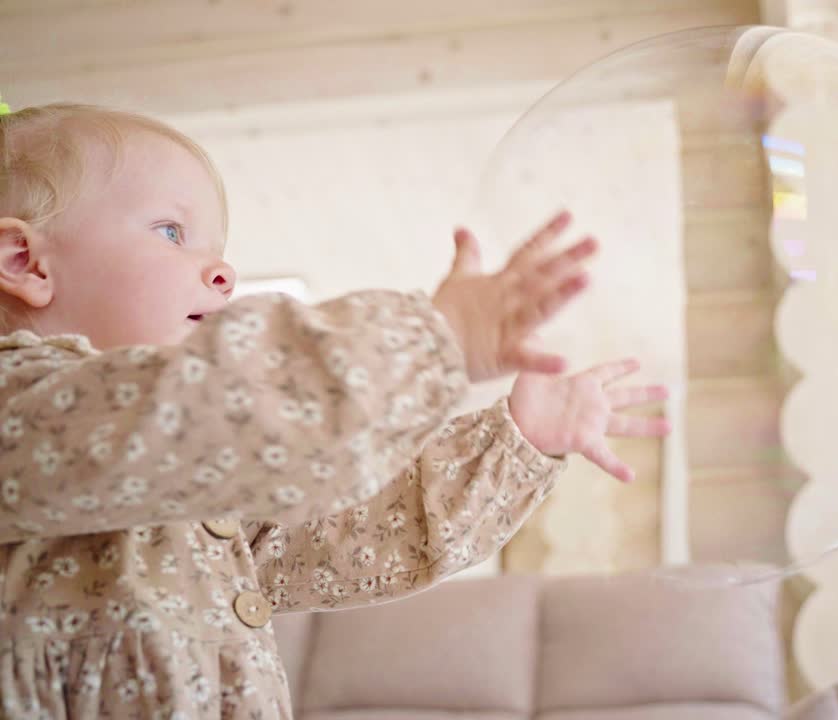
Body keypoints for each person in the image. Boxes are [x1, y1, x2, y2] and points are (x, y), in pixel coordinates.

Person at [0, 101, 669, 718]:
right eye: (172, 231)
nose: (221, 271)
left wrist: (517, 441)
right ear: (25, 260)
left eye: (219, 250)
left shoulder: (203, 492)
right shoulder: (23, 413)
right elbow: (217, 403)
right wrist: (437, 337)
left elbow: (361, 529)